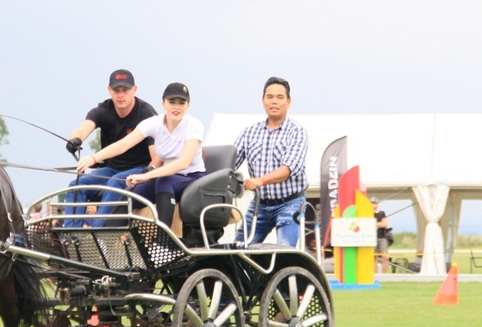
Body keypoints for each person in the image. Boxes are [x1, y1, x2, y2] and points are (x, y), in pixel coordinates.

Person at [76, 82, 205, 231]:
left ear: (188, 105)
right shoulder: (154, 123)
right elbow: (123, 144)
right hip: (166, 177)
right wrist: (94, 158)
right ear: (163, 103)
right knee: (128, 195)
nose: (176, 107)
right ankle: (106, 243)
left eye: (181, 103)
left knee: (164, 182)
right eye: (171, 102)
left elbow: (183, 163)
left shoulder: (194, 125)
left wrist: (146, 176)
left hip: (191, 178)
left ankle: (162, 243)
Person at [64, 69, 159, 227]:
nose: (120, 95)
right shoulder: (104, 110)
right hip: (111, 169)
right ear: (109, 91)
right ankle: (71, 237)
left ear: (134, 90)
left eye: (125, 90)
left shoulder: (147, 114)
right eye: (116, 90)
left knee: (114, 183)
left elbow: (156, 157)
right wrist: (75, 139)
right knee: (76, 185)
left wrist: (147, 173)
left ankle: (98, 234)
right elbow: (82, 128)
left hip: (139, 169)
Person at [233, 77, 308, 247]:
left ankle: (287, 273)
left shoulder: (297, 132)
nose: (274, 101)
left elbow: (288, 169)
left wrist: (260, 180)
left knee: (283, 252)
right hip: (259, 204)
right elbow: (229, 164)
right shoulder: (249, 133)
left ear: (288, 102)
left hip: (290, 203)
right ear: (263, 101)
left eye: (280, 97)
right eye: (270, 97)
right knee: (237, 251)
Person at [372, 197, 389, 274]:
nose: (372, 205)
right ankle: (375, 274)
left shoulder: (382, 213)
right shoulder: (368, 213)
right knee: (373, 258)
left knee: (385, 257)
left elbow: (385, 224)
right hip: (371, 238)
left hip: (382, 237)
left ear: (377, 204)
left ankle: (385, 275)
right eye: (371, 203)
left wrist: (375, 224)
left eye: (374, 203)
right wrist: (379, 224)